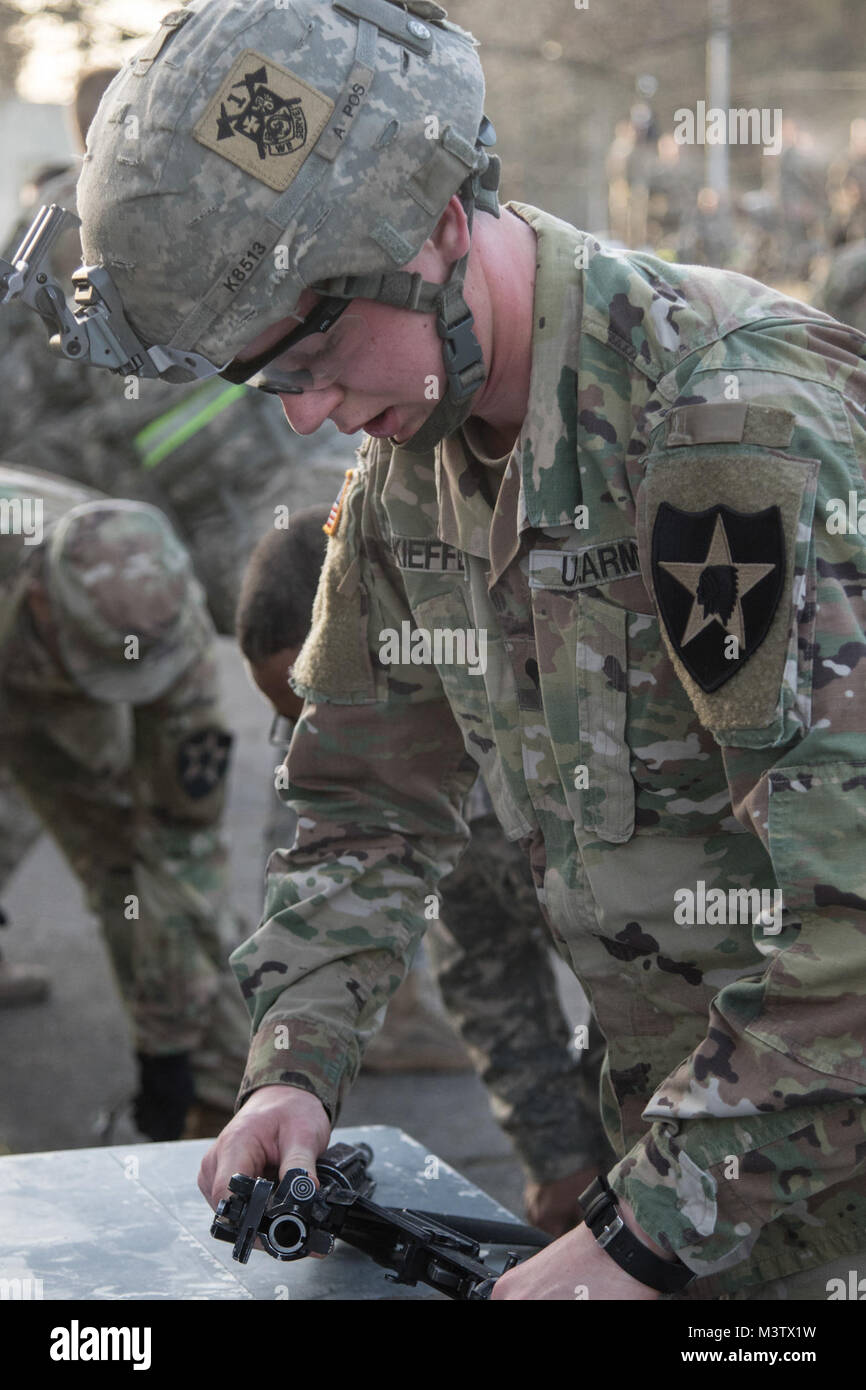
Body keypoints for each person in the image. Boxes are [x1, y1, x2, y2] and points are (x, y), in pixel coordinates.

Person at [16, 0, 866, 1301]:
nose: (303, 407)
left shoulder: (728, 441)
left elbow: (849, 920)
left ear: (435, 228)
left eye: (311, 343)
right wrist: (293, 1067)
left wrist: (635, 1241)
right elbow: (360, 802)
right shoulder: (410, 467)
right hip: (690, 1175)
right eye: (260, 375)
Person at [235, 506, 611, 1234]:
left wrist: (646, 1179)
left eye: (321, 712)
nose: (306, 748)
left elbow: (658, 978)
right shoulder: (402, 799)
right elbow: (486, 967)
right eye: (291, 725)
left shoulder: (565, 721)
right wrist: (559, 1157)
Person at [0, 464, 251, 1138]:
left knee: (131, 867)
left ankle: (224, 1091)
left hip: (61, 706)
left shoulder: (167, 624)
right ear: (44, 601)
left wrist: (163, 1047)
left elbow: (180, 846)